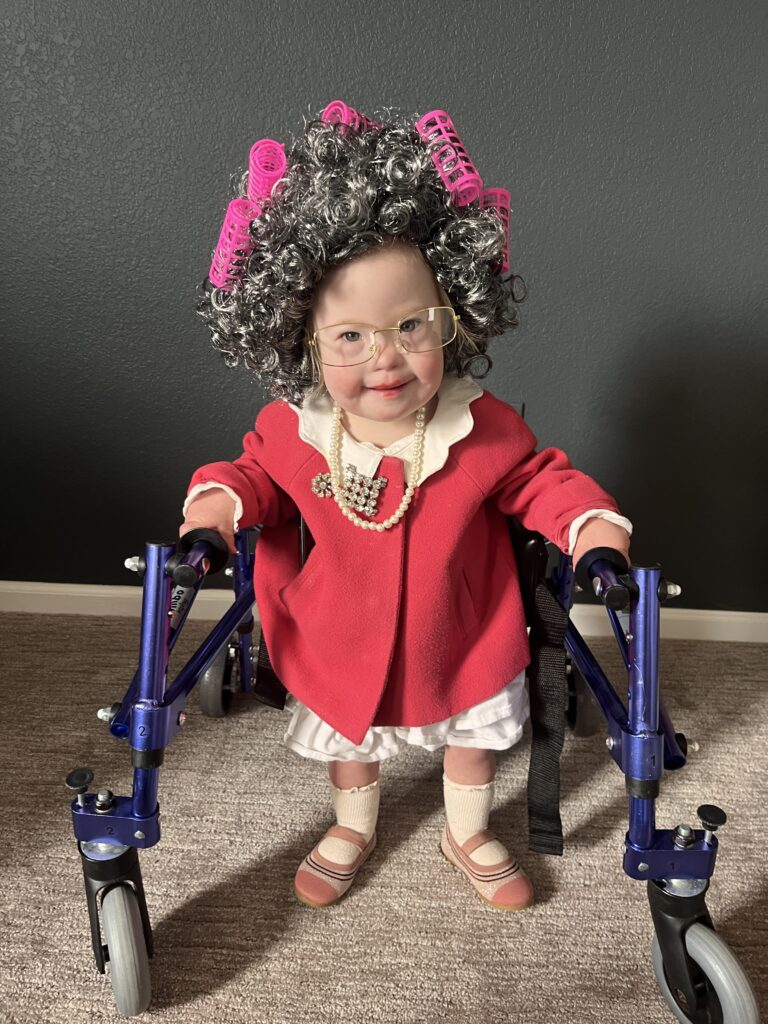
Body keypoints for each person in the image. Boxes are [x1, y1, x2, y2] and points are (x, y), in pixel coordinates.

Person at [179, 102, 632, 912]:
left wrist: (588, 522)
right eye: (349, 336)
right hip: (339, 630)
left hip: (462, 632)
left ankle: (468, 828)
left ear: (453, 319)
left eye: (411, 325)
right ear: (301, 341)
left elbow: (541, 480)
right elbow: (254, 479)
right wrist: (217, 507)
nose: (384, 357)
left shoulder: (478, 426)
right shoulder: (298, 430)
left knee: (474, 737)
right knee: (349, 738)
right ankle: (353, 822)